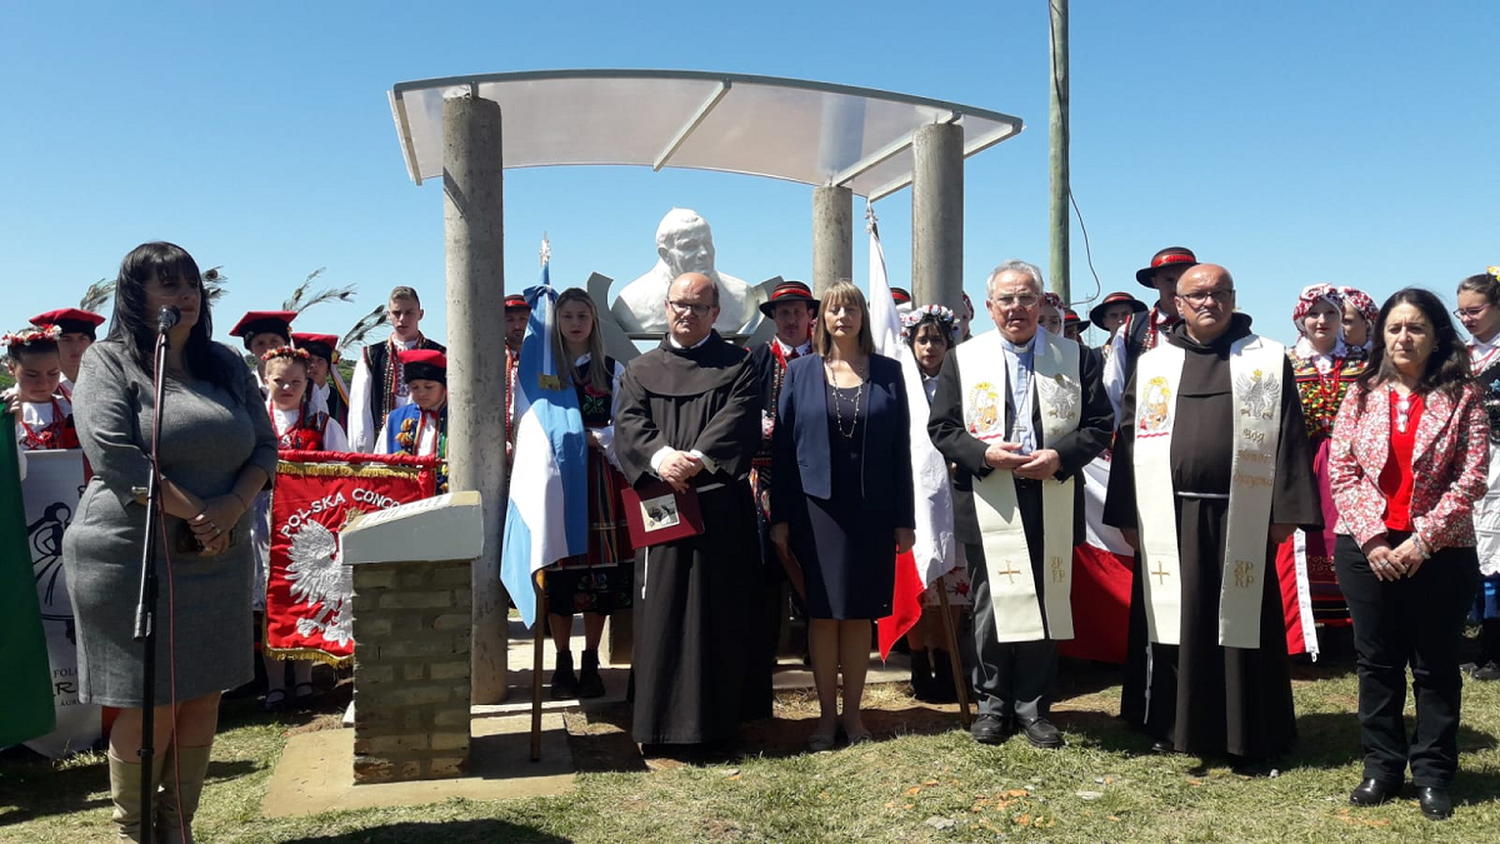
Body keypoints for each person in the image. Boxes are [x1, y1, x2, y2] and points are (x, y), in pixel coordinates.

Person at [62, 241, 278, 841]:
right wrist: (200, 512)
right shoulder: (108, 363)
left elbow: (265, 446)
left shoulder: (227, 365)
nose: (185, 295)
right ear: (137, 298)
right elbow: (115, 455)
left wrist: (229, 509)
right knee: (150, 700)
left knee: (203, 694)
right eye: (168, 285)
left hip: (218, 552)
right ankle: (134, 833)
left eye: (191, 284)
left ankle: (176, 826)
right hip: (130, 556)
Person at [1104, 263, 1321, 765]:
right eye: (1196, 295)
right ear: (1177, 304)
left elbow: (1290, 436)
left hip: (1241, 515)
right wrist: (1128, 514)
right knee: (1173, 620)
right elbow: (1130, 439)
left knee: (1241, 622)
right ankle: (1170, 723)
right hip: (1168, 515)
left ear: (1233, 298)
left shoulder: (1266, 358)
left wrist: (1285, 511)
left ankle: (1249, 729)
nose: (1209, 302)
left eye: (1219, 293)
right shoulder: (1155, 362)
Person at [929, 260, 1112, 749]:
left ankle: (1034, 708)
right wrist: (984, 453)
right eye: (1006, 299)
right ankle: (993, 705)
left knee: (1047, 601)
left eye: (1026, 298)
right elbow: (942, 428)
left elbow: (1099, 425)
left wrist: (1060, 457)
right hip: (991, 496)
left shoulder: (1076, 357)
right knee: (992, 603)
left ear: (1042, 303)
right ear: (990, 308)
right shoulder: (963, 359)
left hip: (1050, 494)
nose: (1017, 308)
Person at [1327, 287, 1487, 820]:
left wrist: (1422, 540)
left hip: (1441, 550)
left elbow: (1472, 478)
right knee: (1377, 663)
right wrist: (1373, 539)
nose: (1403, 338)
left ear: (1438, 335)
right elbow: (1343, 471)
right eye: (1394, 328)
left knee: (1436, 665)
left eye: (1416, 327)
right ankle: (1382, 766)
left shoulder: (1463, 395)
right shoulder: (1360, 394)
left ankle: (1435, 772)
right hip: (1367, 550)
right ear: (1380, 336)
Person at [613, 272, 763, 750]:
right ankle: (659, 725)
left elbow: (737, 420)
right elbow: (629, 423)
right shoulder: (640, 369)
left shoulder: (738, 365)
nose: (687, 314)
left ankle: (717, 726)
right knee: (662, 607)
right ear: (666, 305)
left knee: (717, 610)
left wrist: (695, 460)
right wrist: (661, 459)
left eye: (699, 307)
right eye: (679, 304)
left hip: (719, 507)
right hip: (662, 503)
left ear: (715, 313)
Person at [769, 281, 914, 750]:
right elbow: (785, 453)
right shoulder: (801, 373)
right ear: (821, 319)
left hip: (872, 510)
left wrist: (904, 517)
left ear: (863, 317)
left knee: (857, 616)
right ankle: (825, 719)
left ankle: (854, 717)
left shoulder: (889, 372)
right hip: (816, 510)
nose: (842, 316)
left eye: (851, 308)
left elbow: (900, 450)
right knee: (822, 613)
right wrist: (782, 516)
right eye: (834, 309)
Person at [543, 288, 633, 700]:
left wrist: (598, 438)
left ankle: (591, 659)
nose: (575, 323)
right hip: (558, 481)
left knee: (599, 578)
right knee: (560, 574)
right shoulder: (543, 371)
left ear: (593, 320)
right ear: (556, 323)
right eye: (567, 316)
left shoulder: (612, 370)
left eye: (582, 315)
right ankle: (562, 659)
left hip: (598, 482)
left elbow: (626, 425)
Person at [1275, 285, 1367, 643]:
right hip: (1302, 461)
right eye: (1313, 313)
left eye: (1331, 313)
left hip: (1351, 464)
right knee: (1305, 536)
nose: (1322, 321)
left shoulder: (1363, 362)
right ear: (1300, 319)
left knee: (1347, 534)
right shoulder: (1286, 361)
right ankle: (1306, 625)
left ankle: (1353, 627)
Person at [259, 346, 348, 710]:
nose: (287, 388)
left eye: (295, 381)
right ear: (266, 380)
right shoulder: (254, 425)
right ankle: (275, 683)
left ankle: (305, 680)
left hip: (306, 525)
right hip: (260, 522)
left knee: (304, 596)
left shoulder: (324, 425)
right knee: (269, 599)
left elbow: (342, 476)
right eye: (279, 381)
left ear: (306, 381)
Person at [746, 278, 818, 712]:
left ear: (810, 316)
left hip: (814, 478)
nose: (791, 320)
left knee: (812, 559)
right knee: (766, 562)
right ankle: (767, 647)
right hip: (766, 476)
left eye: (797, 312)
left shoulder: (827, 360)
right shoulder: (755, 360)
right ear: (773, 319)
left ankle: (816, 643)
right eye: (783, 313)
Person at [901, 305, 971, 703]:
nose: (929, 347)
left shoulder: (959, 381)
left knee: (953, 581)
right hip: (913, 496)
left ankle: (947, 665)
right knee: (919, 586)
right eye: (922, 339)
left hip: (953, 493)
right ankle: (917, 663)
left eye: (937, 340)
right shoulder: (899, 384)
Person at [611, 208, 765, 335]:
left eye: (707, 243)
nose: (704, 253)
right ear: (666, 255)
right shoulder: (631, 304)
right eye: (690, 246)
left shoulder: (742, 297)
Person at [1456, 267, 1500, 681]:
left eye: (1475, 310)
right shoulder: (1461, 355)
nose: (1467, 318)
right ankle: (1479, 642)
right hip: (1471, 458)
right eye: (1461, 311)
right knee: (1473, 548)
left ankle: (1496, 649)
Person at [1102, 247, 1199, 421]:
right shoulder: (1130, 329)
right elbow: (1113, 389)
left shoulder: (1209, 326)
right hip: (1145, 431)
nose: (1177, 287)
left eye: (1183, 280)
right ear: (1155, 282)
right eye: (1169, 280)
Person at [348, 287, 445, 453]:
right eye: (397, 313)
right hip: (384, 444)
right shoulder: (371, 356)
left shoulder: (439, 354)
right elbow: (359, 411)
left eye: (409, 313)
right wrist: (362, 452)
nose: (402, 319)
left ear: (420, 314)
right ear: (388, 315)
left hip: (431, 440)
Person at [376, 349, 450, 493]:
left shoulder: (460, 417)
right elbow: (379, 464)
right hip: (405, 498)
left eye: (429, 387)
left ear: (443, 386)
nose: (421, 393)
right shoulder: (396, 419)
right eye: (414, 387)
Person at [4, 325, 78, 450]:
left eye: (53, 373)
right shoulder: (4, 409)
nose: (44, 383)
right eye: (32, 375)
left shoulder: (69, 408)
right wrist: (8, 427)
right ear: (11, 368)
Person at [30, 307, 105, 398]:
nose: (76, 347)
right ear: (51, 344)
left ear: (91, 342)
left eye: (82, 339)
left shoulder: (104, 381)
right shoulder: (37, 386)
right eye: (66, 340)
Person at [290, 332, 350, 430]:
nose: (313, 365)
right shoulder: (290, 397)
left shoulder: (341, 402)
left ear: (328, 367)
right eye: (309, 360)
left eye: (320, 360)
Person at [228, 311, 297, 394]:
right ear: (250, 349)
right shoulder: (243, 387)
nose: (268, 348)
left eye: (274, 341)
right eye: (260, 343)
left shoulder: (307, 386)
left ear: (285, 343)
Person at [1341, 286, 1379, 357]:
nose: (1340, 327)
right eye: (1337, 320)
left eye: (1346, 321)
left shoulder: (1382, 356)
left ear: (1366, 323)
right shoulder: (1326, 356)